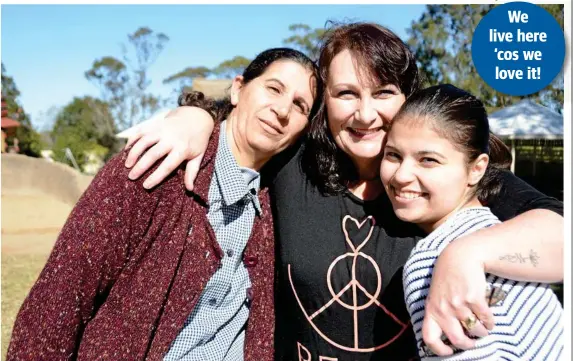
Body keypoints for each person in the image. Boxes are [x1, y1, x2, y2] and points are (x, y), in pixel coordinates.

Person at [123, 22, 563, 360]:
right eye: (346, 93)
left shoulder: (443, 178)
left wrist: (464, 254)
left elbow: (561, 238)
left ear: (408, 96)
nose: (365, 114)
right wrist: (196, 117)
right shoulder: (293, 163)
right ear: (324, 102)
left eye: (384, 92)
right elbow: (240, 126)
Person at [8, 47, 319, 361]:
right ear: (238, 88)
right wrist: (195, 113)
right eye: (274, 88)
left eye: (299, 105)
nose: (282, 110)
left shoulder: (280, 201)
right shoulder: (155, 168)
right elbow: (58, 300)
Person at [381, 84, 563, 360]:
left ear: (477, 169)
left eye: (428, 160)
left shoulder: (431, 261)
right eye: (393, 155)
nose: (402, 175)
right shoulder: (502, 235)